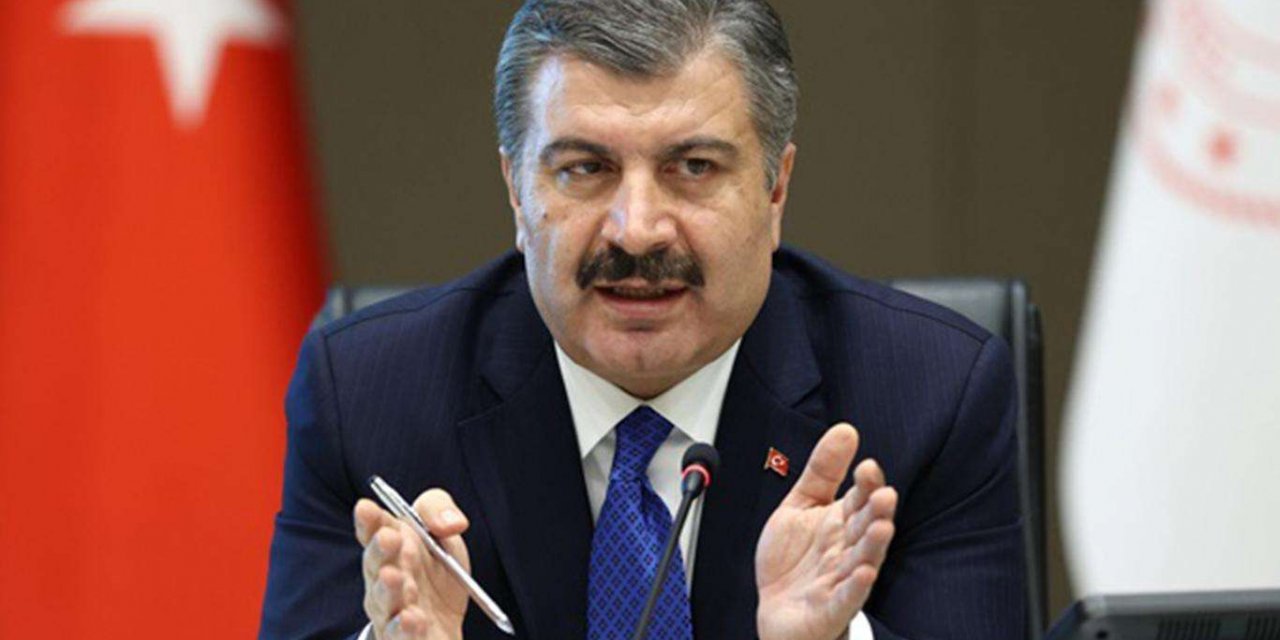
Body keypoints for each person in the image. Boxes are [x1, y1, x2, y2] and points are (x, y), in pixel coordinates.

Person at [259, 1, 1024, 639]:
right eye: (585, 169)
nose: (636, 230)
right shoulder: (369, 396)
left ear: (775, 189)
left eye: (693, 168)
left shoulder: (932, 397)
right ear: (517, 192)